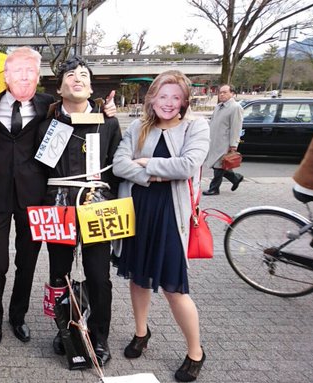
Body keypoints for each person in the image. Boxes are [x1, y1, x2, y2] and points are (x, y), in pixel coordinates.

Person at [0, 46, 117, 347]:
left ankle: (18, 317)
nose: (23, 77)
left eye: (30, 72)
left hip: (37, 198)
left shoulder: (47, 106)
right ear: (6, 75)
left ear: (38, 78)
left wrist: (104, 109)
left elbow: (80, 107)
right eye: (17, 71)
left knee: (27, 263)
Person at [112, 70, 210, 382]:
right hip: (138, 210)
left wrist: (145, 165)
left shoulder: (197, 126)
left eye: (176, 97)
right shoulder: (139, 127)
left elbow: (187, 165)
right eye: (163, 96)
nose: (168, 103)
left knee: (173, 287)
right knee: (138, 279)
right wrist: (151, 173)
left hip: (171, 214)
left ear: (184, 101)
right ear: (152, 98)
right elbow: (119, 164)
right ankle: (141, 333)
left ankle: (195, 351)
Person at [37, 56, 122, 365]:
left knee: (99, 276)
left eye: (84, 75)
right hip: (59, 204)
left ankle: (100, 337)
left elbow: (117, 168)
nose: (78, 79)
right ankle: (66, 330)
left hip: (98, 206)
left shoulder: (109, 122)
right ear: (59, 88)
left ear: (91, 87)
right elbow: (41, 167)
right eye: (70, 75)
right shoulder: (49, 123)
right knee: (58, 274)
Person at [202, 84, 244, 196]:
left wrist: (234, 145)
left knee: (218, 165)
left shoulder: (236, 107)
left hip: (224, 143)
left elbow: (236, 127)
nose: (221, 94)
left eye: (225, 92)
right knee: (219, 165)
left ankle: (214, 188)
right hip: (215, 141)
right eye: (220, 92)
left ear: (232, 93)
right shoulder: (219, 106)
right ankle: (236, 178)